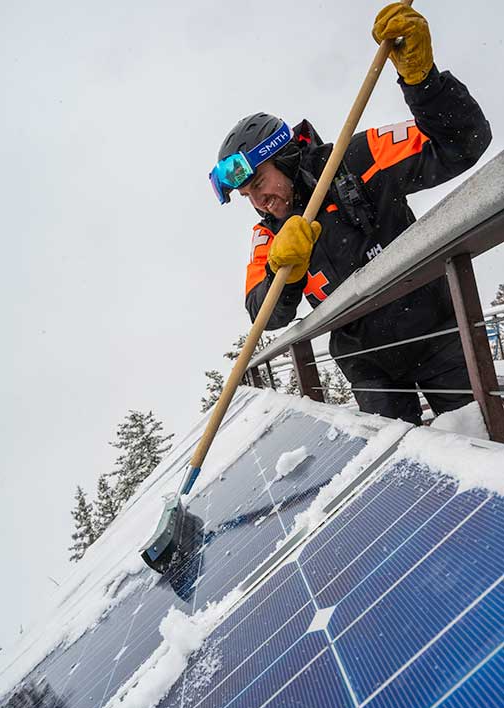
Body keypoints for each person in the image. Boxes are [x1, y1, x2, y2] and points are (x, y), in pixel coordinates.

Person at [208, 3, 492, 425]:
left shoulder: (356, 158)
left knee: (484, 433)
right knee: (400, 468)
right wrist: (284, 273)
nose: (258, 201)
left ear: (282, 158)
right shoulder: (270, 236)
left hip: (438, 331)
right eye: (247, 195)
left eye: (259, 184)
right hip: (368, 365)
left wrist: (423, 82)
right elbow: (263, 315)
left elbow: (463, 144)